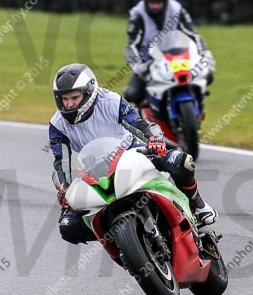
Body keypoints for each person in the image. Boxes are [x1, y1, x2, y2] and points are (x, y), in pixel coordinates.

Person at [49, 63, 218, 245]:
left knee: (180, 161)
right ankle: (126, 246)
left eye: (74, 97)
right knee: (68, 227)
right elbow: (61, 161)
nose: (69, 104)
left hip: (130, 151)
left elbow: (140, 124)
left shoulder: (110, 101)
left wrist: (154, 140)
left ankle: (198, 205)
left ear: (89, 92)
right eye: (64, 99)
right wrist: (63, 188)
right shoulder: (57, 124)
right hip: (94, 170)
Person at [123, 0, 215, 106]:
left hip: (177, 56)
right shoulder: (137, 15)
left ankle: (197, 104)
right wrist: (138, 66)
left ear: (166, 1)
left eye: (158, 3)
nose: (155, 6)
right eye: (151, 3)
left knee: (208, 76)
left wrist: (206, 54)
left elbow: (193, 35)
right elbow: (131, 45)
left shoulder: (178, 10)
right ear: (145, 1)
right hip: (148, 62)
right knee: (131, 94)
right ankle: (145, 115)